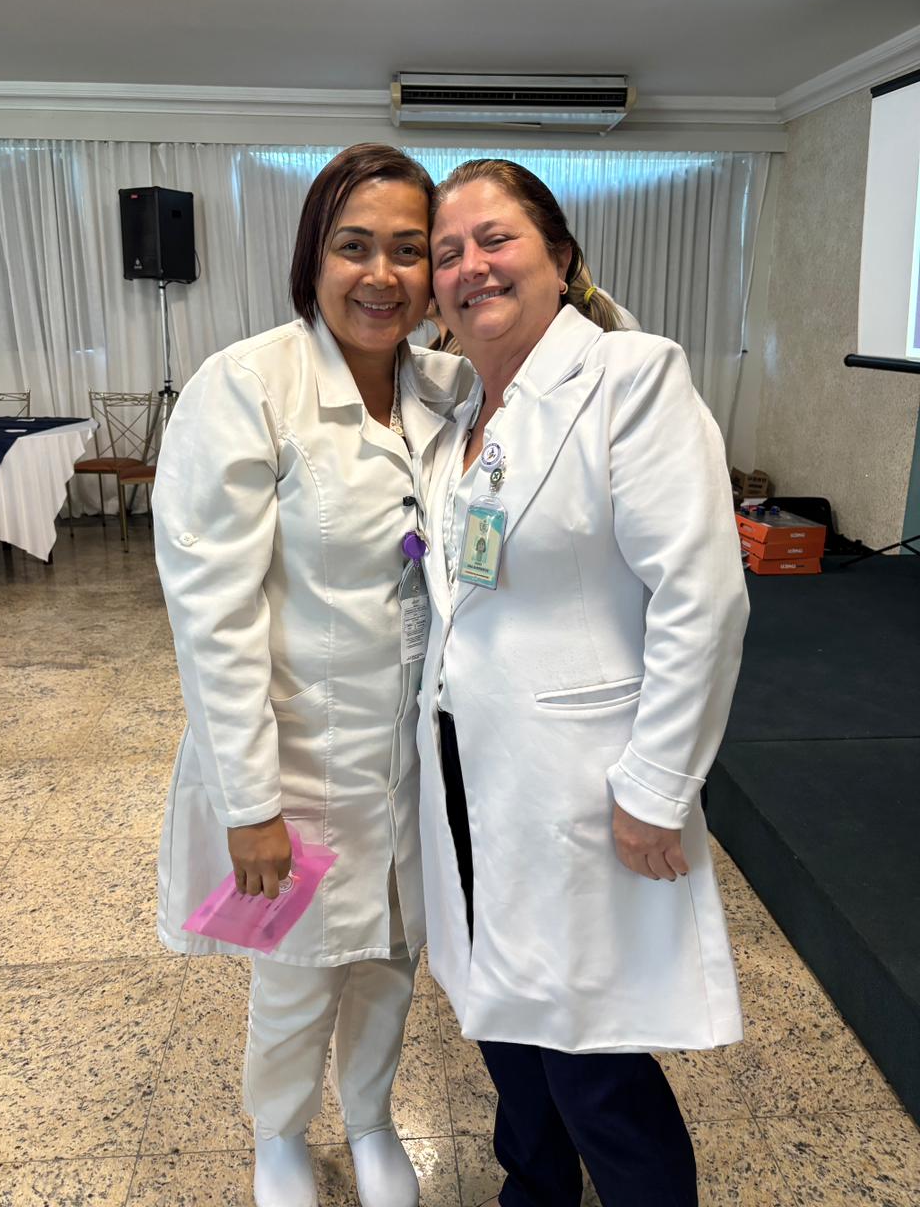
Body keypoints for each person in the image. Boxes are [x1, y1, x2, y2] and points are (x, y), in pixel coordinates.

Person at [414, 159, 750, 1207]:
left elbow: (701, 596)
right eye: (448, 252)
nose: (471, 266)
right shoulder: (458, 412)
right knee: (504, 1020)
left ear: (560, 257)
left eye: (496, 238)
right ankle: (533, 1191)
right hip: (463, 767)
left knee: (592, 1058)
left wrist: (658, 785)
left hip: (579, 781)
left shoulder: (630, 377)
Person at [152, 143, 473, 1207]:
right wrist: (249, 804)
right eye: (353, 246)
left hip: (412, 751)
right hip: (294, 756)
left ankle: (372, 1117)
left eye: (409, 250)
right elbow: (215, 616)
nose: (381, 275)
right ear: (312, 257)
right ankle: (281, 1134)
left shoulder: (449, 389)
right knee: (294, 973)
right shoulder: (249, 386)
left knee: (390, 954)